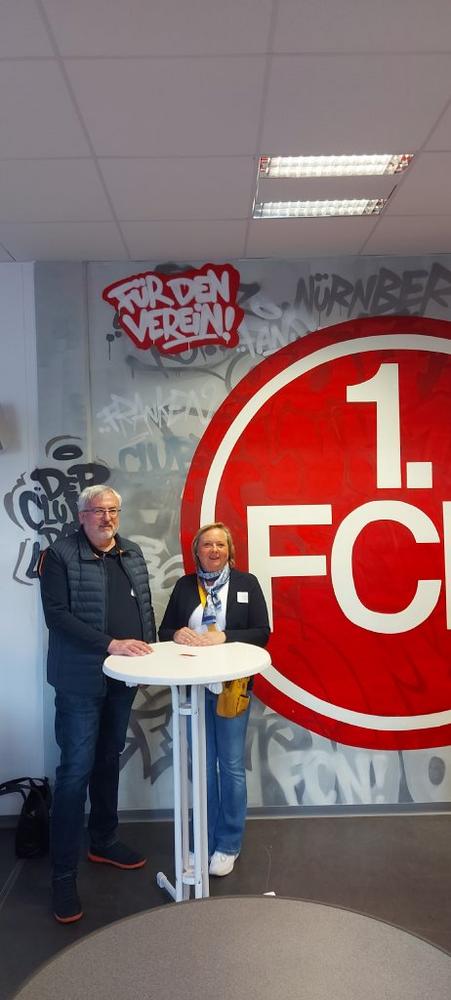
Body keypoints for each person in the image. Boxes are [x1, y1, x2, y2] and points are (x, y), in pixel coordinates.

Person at [39, 485, 156, 924]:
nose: (107, 517)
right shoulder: (60, 555)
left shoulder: (132, 552)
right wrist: (111, 644)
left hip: (122, 678)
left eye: (113, 510)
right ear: (81, 515)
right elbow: (57, 616)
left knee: (108, 758)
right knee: (75, 772)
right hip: (79, 681)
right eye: (97, 510)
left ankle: (103, 841)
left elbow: (144, 608)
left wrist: (149, 653)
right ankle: (63, 876)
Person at [158, 522, 269, 877]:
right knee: (203, 767)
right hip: (193, 689)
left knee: (231, 766)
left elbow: (262, 633)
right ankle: (202, 839)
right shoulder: (184, 586)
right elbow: (164, 631)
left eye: (221, 544)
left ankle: (228, 843)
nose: (214, 550)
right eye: (207, 544)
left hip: (232, 689)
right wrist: (177, 633)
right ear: (197, 551)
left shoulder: (247, 584)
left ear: (229, 551)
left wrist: (225, 636)